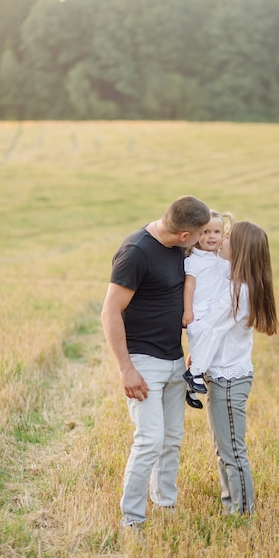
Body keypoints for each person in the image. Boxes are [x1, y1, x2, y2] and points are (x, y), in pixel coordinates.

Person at [101, 195, 211, 528]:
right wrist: (126, 369)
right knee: (149, 440)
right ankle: (132, 520)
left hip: (174, 359)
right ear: (184, 235)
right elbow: (110, 312)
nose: (202, 239)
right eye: (200, 234)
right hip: (143, 361)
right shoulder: (136, 252)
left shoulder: (180, 248)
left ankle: (165, 506)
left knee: (171, 439)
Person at [187, 221, 279, 516]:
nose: (220, 240)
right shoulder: (235, 286)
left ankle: (242, 514)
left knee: (232, 452)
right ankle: (232, 506)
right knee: (223, 449)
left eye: (226, 237)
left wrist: (194, 369)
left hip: (229, 379)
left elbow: (210, 331)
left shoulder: (237, 292)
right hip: (223, 375)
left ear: (238, 249)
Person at [182, 210, 234, 408]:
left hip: (214, 313)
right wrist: (188, 310)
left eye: (217, 232)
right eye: (206, 232)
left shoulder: (220, 260)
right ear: (196, 236)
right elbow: (189, 286)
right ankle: (193, 375)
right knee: (201, 346)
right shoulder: (194, 260)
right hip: (199, 312)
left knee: (203, 349)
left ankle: (191, 385)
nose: (211, 236)